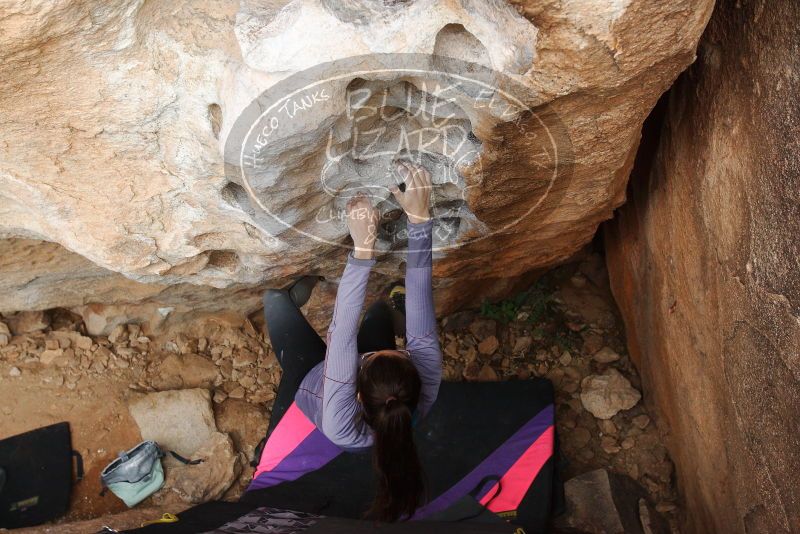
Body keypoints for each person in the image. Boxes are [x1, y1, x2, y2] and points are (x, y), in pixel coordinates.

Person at [261, 161, 442, 522]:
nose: (372, 352)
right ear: (414, 369)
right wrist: (420, 221)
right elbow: (423, 291)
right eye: (399, 351)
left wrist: (363, 250)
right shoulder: (426, 380)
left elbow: (341, 333)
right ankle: (391, 305)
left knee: (274, 303)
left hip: (311, 384)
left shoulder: (339, 419)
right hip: (358, 383)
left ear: (357, 391)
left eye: (374, 356)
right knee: (376, 313)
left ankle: (291, 298)